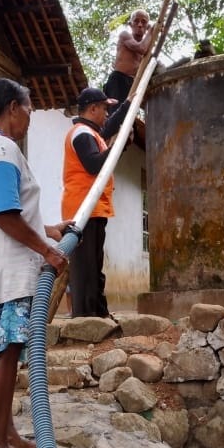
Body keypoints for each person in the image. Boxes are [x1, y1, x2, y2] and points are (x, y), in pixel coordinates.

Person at [0, 77, 70, 448]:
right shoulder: (2, 150)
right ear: (13, 109)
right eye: (30, 109)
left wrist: (50, 230)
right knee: (3, 353)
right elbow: (2, 211)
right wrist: (47, 250)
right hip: (2, 270)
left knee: (8, 350)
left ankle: (7, 433)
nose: (31, 116)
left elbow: (11, 208)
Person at [61, 86, 132, 318]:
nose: (107, 115)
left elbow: (110, 129)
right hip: (83, 210)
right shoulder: (82, 134)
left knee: (93, 268)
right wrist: (118, 146)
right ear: (92, 109)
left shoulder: (91, 134)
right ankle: (85, 319)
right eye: (104, 109)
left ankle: (98, 315)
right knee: (86, 270)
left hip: (93, 209)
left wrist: (128, 106)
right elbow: (93, 164)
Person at [104, 8, 153, 104]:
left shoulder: (148, 47)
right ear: (130, 25)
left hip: (132, 84)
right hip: (118, 81)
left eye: (143, 22)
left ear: (147, 26)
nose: (139, 25)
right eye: (136, 21)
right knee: (116, 113)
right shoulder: (124, 35)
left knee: (126, 114)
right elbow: (141, 49)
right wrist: (151, 31)